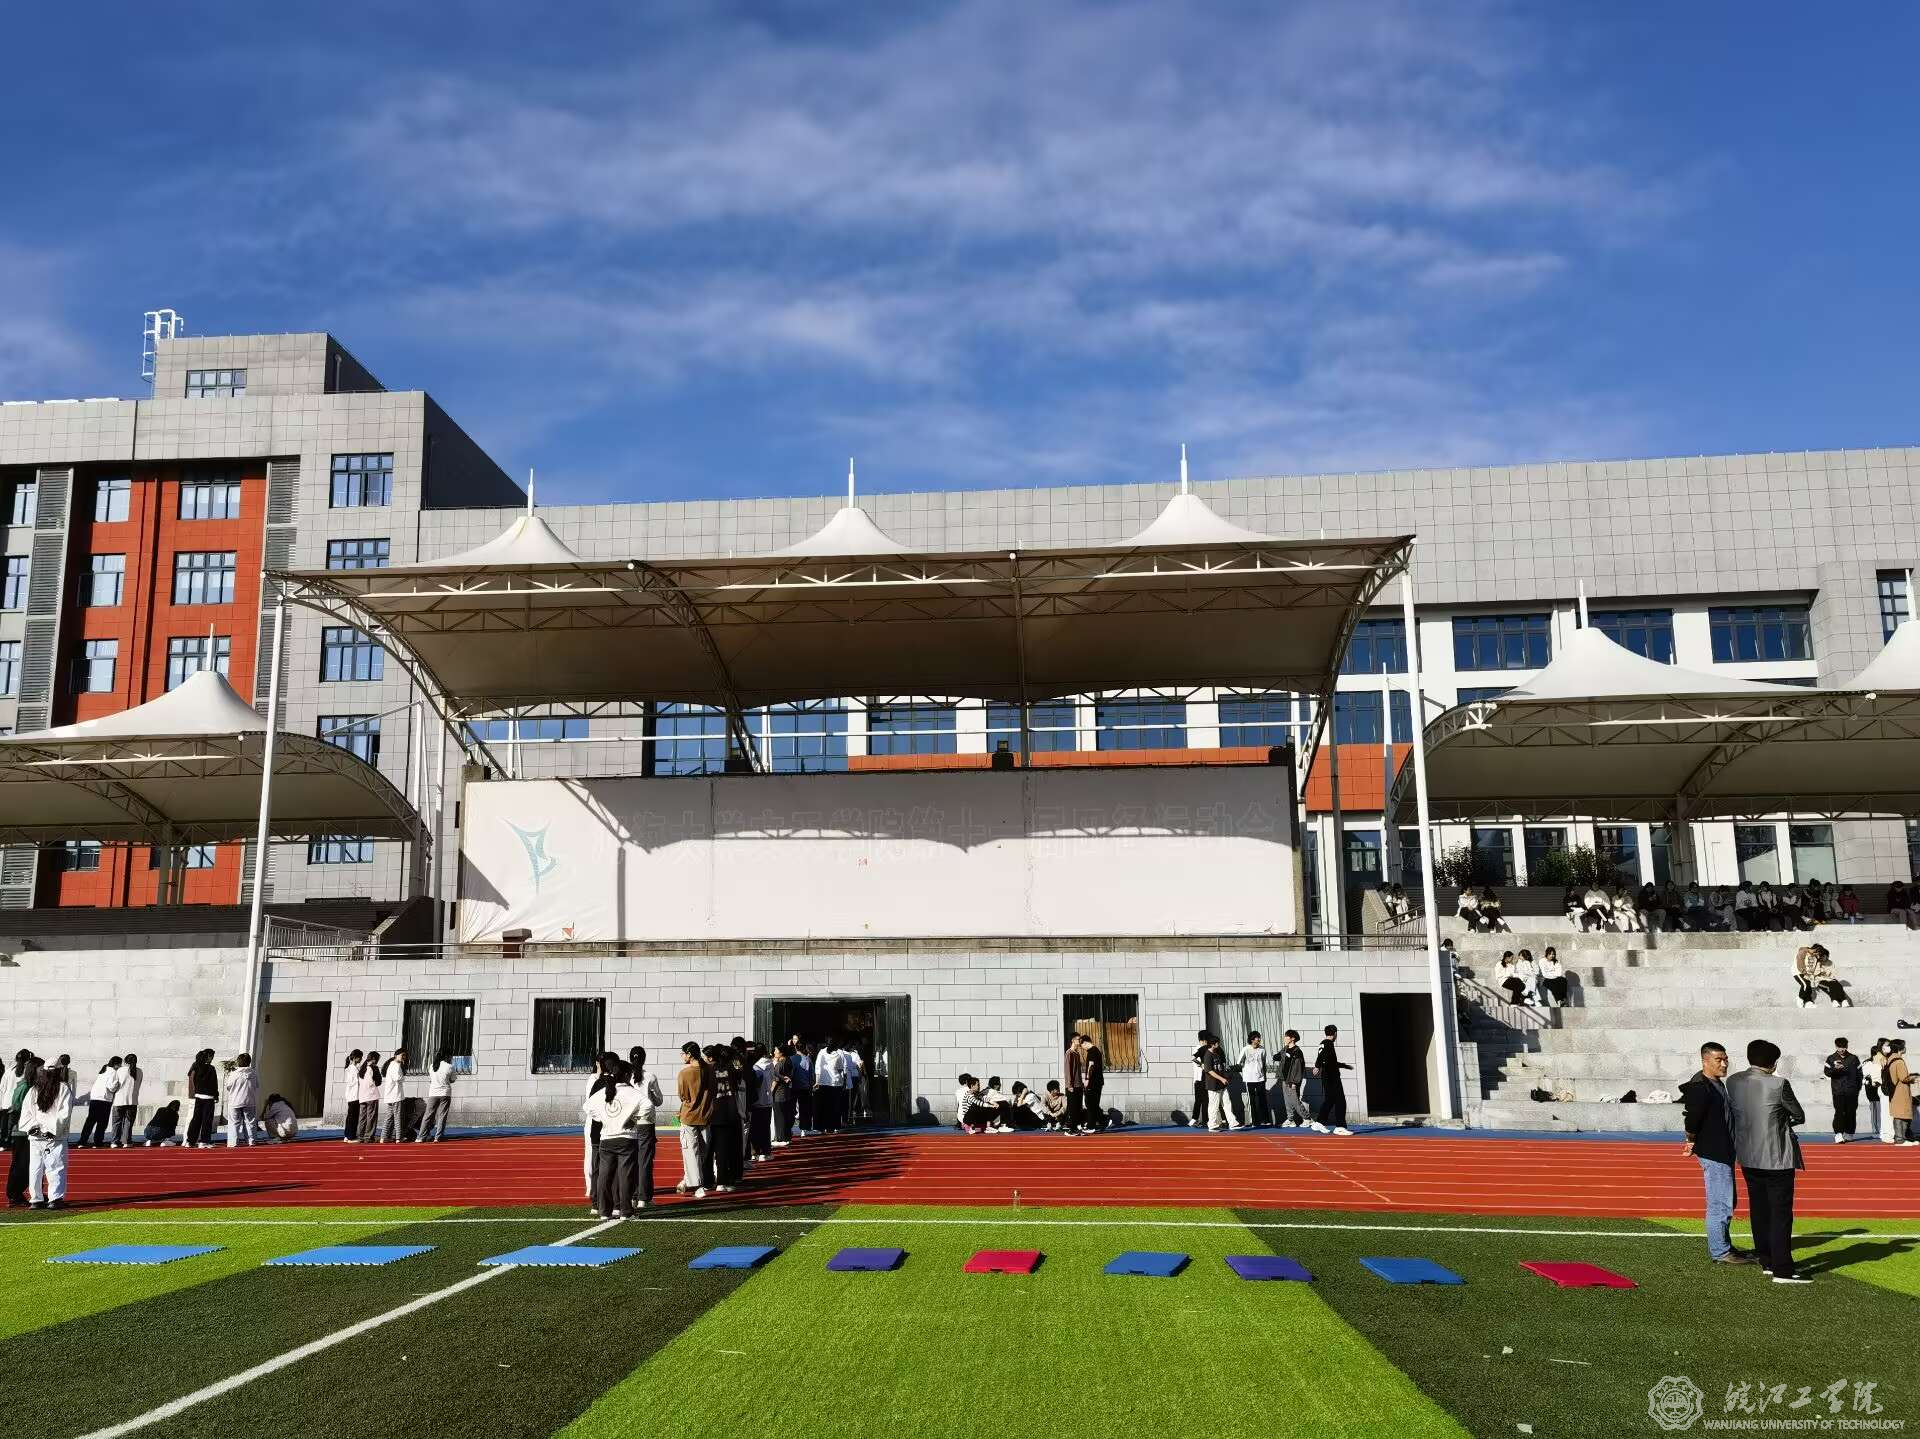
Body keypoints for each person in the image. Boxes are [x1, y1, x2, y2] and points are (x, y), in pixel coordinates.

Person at [1726, 1038, 1808, 1283]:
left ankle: (1767, 1260)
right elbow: (1798, 1114)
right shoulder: (1779, 1083)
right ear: (1773, 1062)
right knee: (1780, 1213)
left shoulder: (1733, 1081)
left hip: (1747, 1155)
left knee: (1759, 1209)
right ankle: (1783, 1269)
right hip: (1776, 1157)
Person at [1679, 1041, 1750, 1265]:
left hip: (1723, 1150)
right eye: (1719, 1059)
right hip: (1714, 1152)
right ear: (1705, 1061)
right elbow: (1692, 1120)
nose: (1724, 1063)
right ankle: (1720, 1251)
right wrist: (1691, 1140)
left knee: (1728, 1201)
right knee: (1720, 1204)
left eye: (1725, 1059)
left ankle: (1724, 1245)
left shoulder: (1716, 1083)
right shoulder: (1701, 1087)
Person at [583, 1060, 644, 1219]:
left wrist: (603, 1118)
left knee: (604, 1175)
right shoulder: (632, 1092)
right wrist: (634, 1118)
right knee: (625, 1176)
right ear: (626, 1075)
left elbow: (587, 1107)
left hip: (606, 1138)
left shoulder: (604, 1090)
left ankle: (604, 1211)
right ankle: (625, 1211)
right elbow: (648, 1107)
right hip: (626, 1138)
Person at [18, 1062, 73, 1210]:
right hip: (54, 1136)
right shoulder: (63, 1088)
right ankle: (55, 1199)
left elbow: (26, 1113)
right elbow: (64, 1113)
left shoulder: (34, 1089)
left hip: (36, 1136)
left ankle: (36, 1199)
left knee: (35, 1168)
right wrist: (51, 1130)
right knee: (56, 1167)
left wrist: (34, 1129)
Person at [676, 1041, 712, 1199]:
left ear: (689, 1054)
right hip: (705, 1115)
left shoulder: (685, 1073)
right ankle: (689, 1179)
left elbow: (682, 1096)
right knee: (702, 1152)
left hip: (689, 1116)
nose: (682, 1056)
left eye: (683, 1053)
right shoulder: (709, 1070)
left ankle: (697, 1185)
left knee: (690, 1152)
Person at [706, 1045, 743, 1193]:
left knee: (717, 1149)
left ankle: (715, 1180)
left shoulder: (709, 1070)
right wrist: (735, 1056)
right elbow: (741, 1071)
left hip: (716, 1112)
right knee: (731, 1149)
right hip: (731, 1111)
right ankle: (728, 1179)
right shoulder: (732, 1068)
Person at [6, 1054, 39, 1207]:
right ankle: (14, 1194)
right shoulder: (25, 1087)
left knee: (29, 1163)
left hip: (27, 1130)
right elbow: (16, 1107)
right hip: (22, 1131)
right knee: (22, 1164)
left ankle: (32, 1192)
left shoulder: (29, 1085)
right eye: (41, 1069)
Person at [1310, 1025, 1352, 1135]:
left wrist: (1344, 1065)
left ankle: (1319, 1122)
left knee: (1330, 1099)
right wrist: (1317, 1066)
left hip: (1327, 1075)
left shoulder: (1323, 1043)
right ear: (1335, 1033)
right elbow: (1322, 1057)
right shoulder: (1328, 1043)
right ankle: (1340, 1127)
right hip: (1331, 1076)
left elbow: (1328, 1060)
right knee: (1340, 1100)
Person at [1824, 1039, 1863, 1144]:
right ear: (1836, 1046)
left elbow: (1860, 1074)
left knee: (1851, 1112)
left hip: (1852, 1091)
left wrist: (1857, 1088)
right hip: (1838, 1091)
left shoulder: (1854, 1058)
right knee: (1839, 1112)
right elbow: (1827, 1072)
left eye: (1843, 1047)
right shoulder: (1831, 1058)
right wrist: (1835, 1069)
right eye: (1839, 1047)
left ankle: (1849, 1133)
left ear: (1847, 1046)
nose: (1841, 1049)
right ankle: (1838, 1133)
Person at [79, 1057, 121, 1148]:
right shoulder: (113, 1072)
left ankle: (82, 1141)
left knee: (90, 1121)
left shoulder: (103, 1070)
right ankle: (97, 1142)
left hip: (94, 1097)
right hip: (104, 1099)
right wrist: (118, 1084)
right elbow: (111, 1087)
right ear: (116, 1064)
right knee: (102, 1122)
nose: (120, 1067)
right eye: (119, 1065)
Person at [1793, 943, 1850, 1008]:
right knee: (1806, 984)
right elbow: (1800, 964)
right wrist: (1807, 973)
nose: (1817, 956)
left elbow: (1829, 972)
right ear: (1815, 950)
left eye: (1819, 955)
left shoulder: (1816, 958)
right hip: (1798, 972)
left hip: (1810, 974)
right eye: (1818, 954)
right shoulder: (1803, 952)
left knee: (1836, 983)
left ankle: (1808, 1002)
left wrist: (1820, 973)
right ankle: (1800, 997)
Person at [416, 1048, 456, 1142]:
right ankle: (438, 1137)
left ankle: (421, 1137)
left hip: (433, 1093)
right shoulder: (449, 1066)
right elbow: (452, 1080)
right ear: (448, 1056)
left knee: (428, 1115)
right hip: (445, 1093)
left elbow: (431, 1080)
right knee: (442, 1115)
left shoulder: (432, 1066)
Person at [225, 1052, 261, 1147]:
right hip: (249, 1101)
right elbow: (256, 1085)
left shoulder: (234, 1074)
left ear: (238, 1062)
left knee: (234, 1123)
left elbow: (228, 1086)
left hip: (235, 1101)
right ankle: (251, 1140)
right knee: (250, 1122)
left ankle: (233, 1142)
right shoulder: (253, 1073)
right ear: (249, 1062)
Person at [1202, 1037, 1239, 1131]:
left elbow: (1220, 1067)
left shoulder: (1217, 1053)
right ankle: (1212, 1124)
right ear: (1212, 1044)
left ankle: (1233, 1123)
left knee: (1227, 1103)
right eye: (1217, 1043)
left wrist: (1225, 1076)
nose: (1219, 1044)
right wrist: (1222, 1078)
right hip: (1213, 1084)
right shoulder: (1208, 1055)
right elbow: (1209, 1071)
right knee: (1213, 1105)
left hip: (1222, 1084)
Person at [186, 1048, 219, 1149]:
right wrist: (216, 1095)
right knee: (206, 1120)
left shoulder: (196, 1066)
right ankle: (204, 1141)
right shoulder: (211, 1068)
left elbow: (193, 1080)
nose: (212, 1059)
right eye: (212, 1057)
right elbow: (214, 1084)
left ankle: (190, 1141)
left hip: (198, 1096)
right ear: (208, 1057)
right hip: (208, 1097)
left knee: (196, 1119)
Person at [1237, 1031, 1271, 1128]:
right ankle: (1254, 1122)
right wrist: (1245, 1068)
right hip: (1249, 1078)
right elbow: (1239, 1062)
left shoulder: (1262, 1049)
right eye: (1257, 1038)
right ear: (1252, 1039)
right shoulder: (1246, 1049)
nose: (1259, 1039)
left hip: (1260, 1078)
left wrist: (1265, 1076)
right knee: (1251, 1100)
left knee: (1262, 1100)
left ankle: (1265, 1120)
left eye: (1259, 1037)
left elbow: (1264, 1063)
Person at [1276, 1030, 1310, 1127]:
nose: (1284, 1038)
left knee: (1295, 1100)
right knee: (1287, 1100)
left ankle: (1307, 1118)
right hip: (1284, 1079)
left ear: (1292, 1038)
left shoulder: (1297, 1052)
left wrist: (1294, 1082)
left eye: (1286, 1036)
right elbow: (1276, 1057)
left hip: (1292, 1080)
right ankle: (1290, 1119)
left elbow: (1298, 1068)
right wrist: (1281, 1055)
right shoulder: (1285, 1049)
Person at [375, 1047, 408, 1143]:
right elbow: (398, 1078)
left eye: (405, 1056)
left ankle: (383, 1137)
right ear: (396, 1055)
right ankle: (398, 1138)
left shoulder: (391, 1064)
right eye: (402, 1055)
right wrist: (403, 1078)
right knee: (398, 1117)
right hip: (396, 1095)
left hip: (390, 1096)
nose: (404, 1057)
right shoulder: (396, 1065)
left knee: (389, 1118)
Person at [748, 1046, 775, 1161]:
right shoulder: (771, 1065)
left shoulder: (753, 1067)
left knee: (754, 1128)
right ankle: (765, 1152)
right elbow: (773, 1079)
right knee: (765, 1127)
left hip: (755, 1102)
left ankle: (754, 1152)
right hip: (767, 1101)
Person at [1887, 1039, 1915, 1147]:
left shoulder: (1890, 1059)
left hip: (1894, 1091)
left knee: (1899, 1114)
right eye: (1904, 1046)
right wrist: (1914, 1078)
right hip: (1900, 1091)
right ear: (1900, 1048)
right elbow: (1904, 1078)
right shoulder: (1899, 1061)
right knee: (1900, 1115)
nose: (1905, 1047)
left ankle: (1902, 1138)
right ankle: (1900, 1139)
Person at [110, 1052, 142, 1149]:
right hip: (132, 1101)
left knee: (117, 1122)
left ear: (125, 1061)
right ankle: (126, 1141)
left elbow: (114, 1085)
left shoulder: (120, 1070)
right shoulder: (140, 1071)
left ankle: (115, 1142)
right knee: (128, 1123)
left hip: (119, 1100)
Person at [767, 1043, 794, 1148]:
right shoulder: (788, 1061)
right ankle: (786, 1137)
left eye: (776, 1050)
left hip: (778, 1093)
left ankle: (780, 1138)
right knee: (785, 1115)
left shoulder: (780, 1064)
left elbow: (775, 1080)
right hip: (786, 1093)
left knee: (779, 1116)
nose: (774, 1052)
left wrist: (770, 1092)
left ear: (781, 1052)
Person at [1063, 1032, 1088, 1135]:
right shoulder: (1069, 1053)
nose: (1080, 1041)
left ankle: (1077, 1128)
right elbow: (1067, 1070)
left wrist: (1081, 1084)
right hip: (1072, 1086)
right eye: (1078, 1039)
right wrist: (1069, 1085)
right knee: (1072, 1109)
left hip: (1078, 1085)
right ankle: (1071, 1130)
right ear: (1073, 1040)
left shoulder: (1077, 1053)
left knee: (1078, 1108)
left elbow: (1077, 1071)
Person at [355, 1050, 383, 1143]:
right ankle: (368, 1137)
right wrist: (376, 1076)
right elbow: (377, 1082)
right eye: (377, 1059)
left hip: (362, 1096)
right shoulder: (373, 1068)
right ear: (374, 1059)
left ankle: (360, 1136)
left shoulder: (362, 1067)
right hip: (371, 1095)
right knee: (371, 1117)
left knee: (362, 1117)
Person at [790, 1038, 814, 1138]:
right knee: (804, 1108)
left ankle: (790, 1127)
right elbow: (811, 1075)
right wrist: (811, 1085)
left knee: (792, 1108)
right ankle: (803, 1129)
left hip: (793, 1087)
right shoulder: (808, 1059)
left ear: (795, 1048)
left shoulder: (791, 1059)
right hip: (805, 1087)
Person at [339, 1049, 365, 1143]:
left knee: (350, 1116)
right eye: (360, 1057)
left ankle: (347, 1135)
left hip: (353, 1095)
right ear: (355, 1058)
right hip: (354, 1095)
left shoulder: (352, 1068)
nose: (361, 1059)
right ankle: (351, 1137)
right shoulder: (352, 1068)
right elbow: (351, 1082)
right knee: (353, 1117)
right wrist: (359, 1079)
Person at [1189, 1031, 1212, 1129]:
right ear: (1204, 1040)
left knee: (1199, 1100)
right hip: (1202, 1078)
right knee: (1205, 1100)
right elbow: (1198, 1062)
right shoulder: (1201, 1049)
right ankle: (1205, 1121)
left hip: (1197, 1079)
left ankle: (1194, 1119)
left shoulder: (1196, 1048)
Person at [1082, 1042, 1107, 1132]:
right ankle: (1102, 1121)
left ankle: (1091, 1126)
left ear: (1085, 1043)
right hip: (1097, 1082)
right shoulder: (1096, 1051)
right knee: (1093, 1104)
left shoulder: (1092, 1051)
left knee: (1090, 1104)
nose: (1083, 1048)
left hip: (1093, 1083)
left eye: (1082, 1046)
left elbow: (1091, 1066)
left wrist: (1087, 1079)